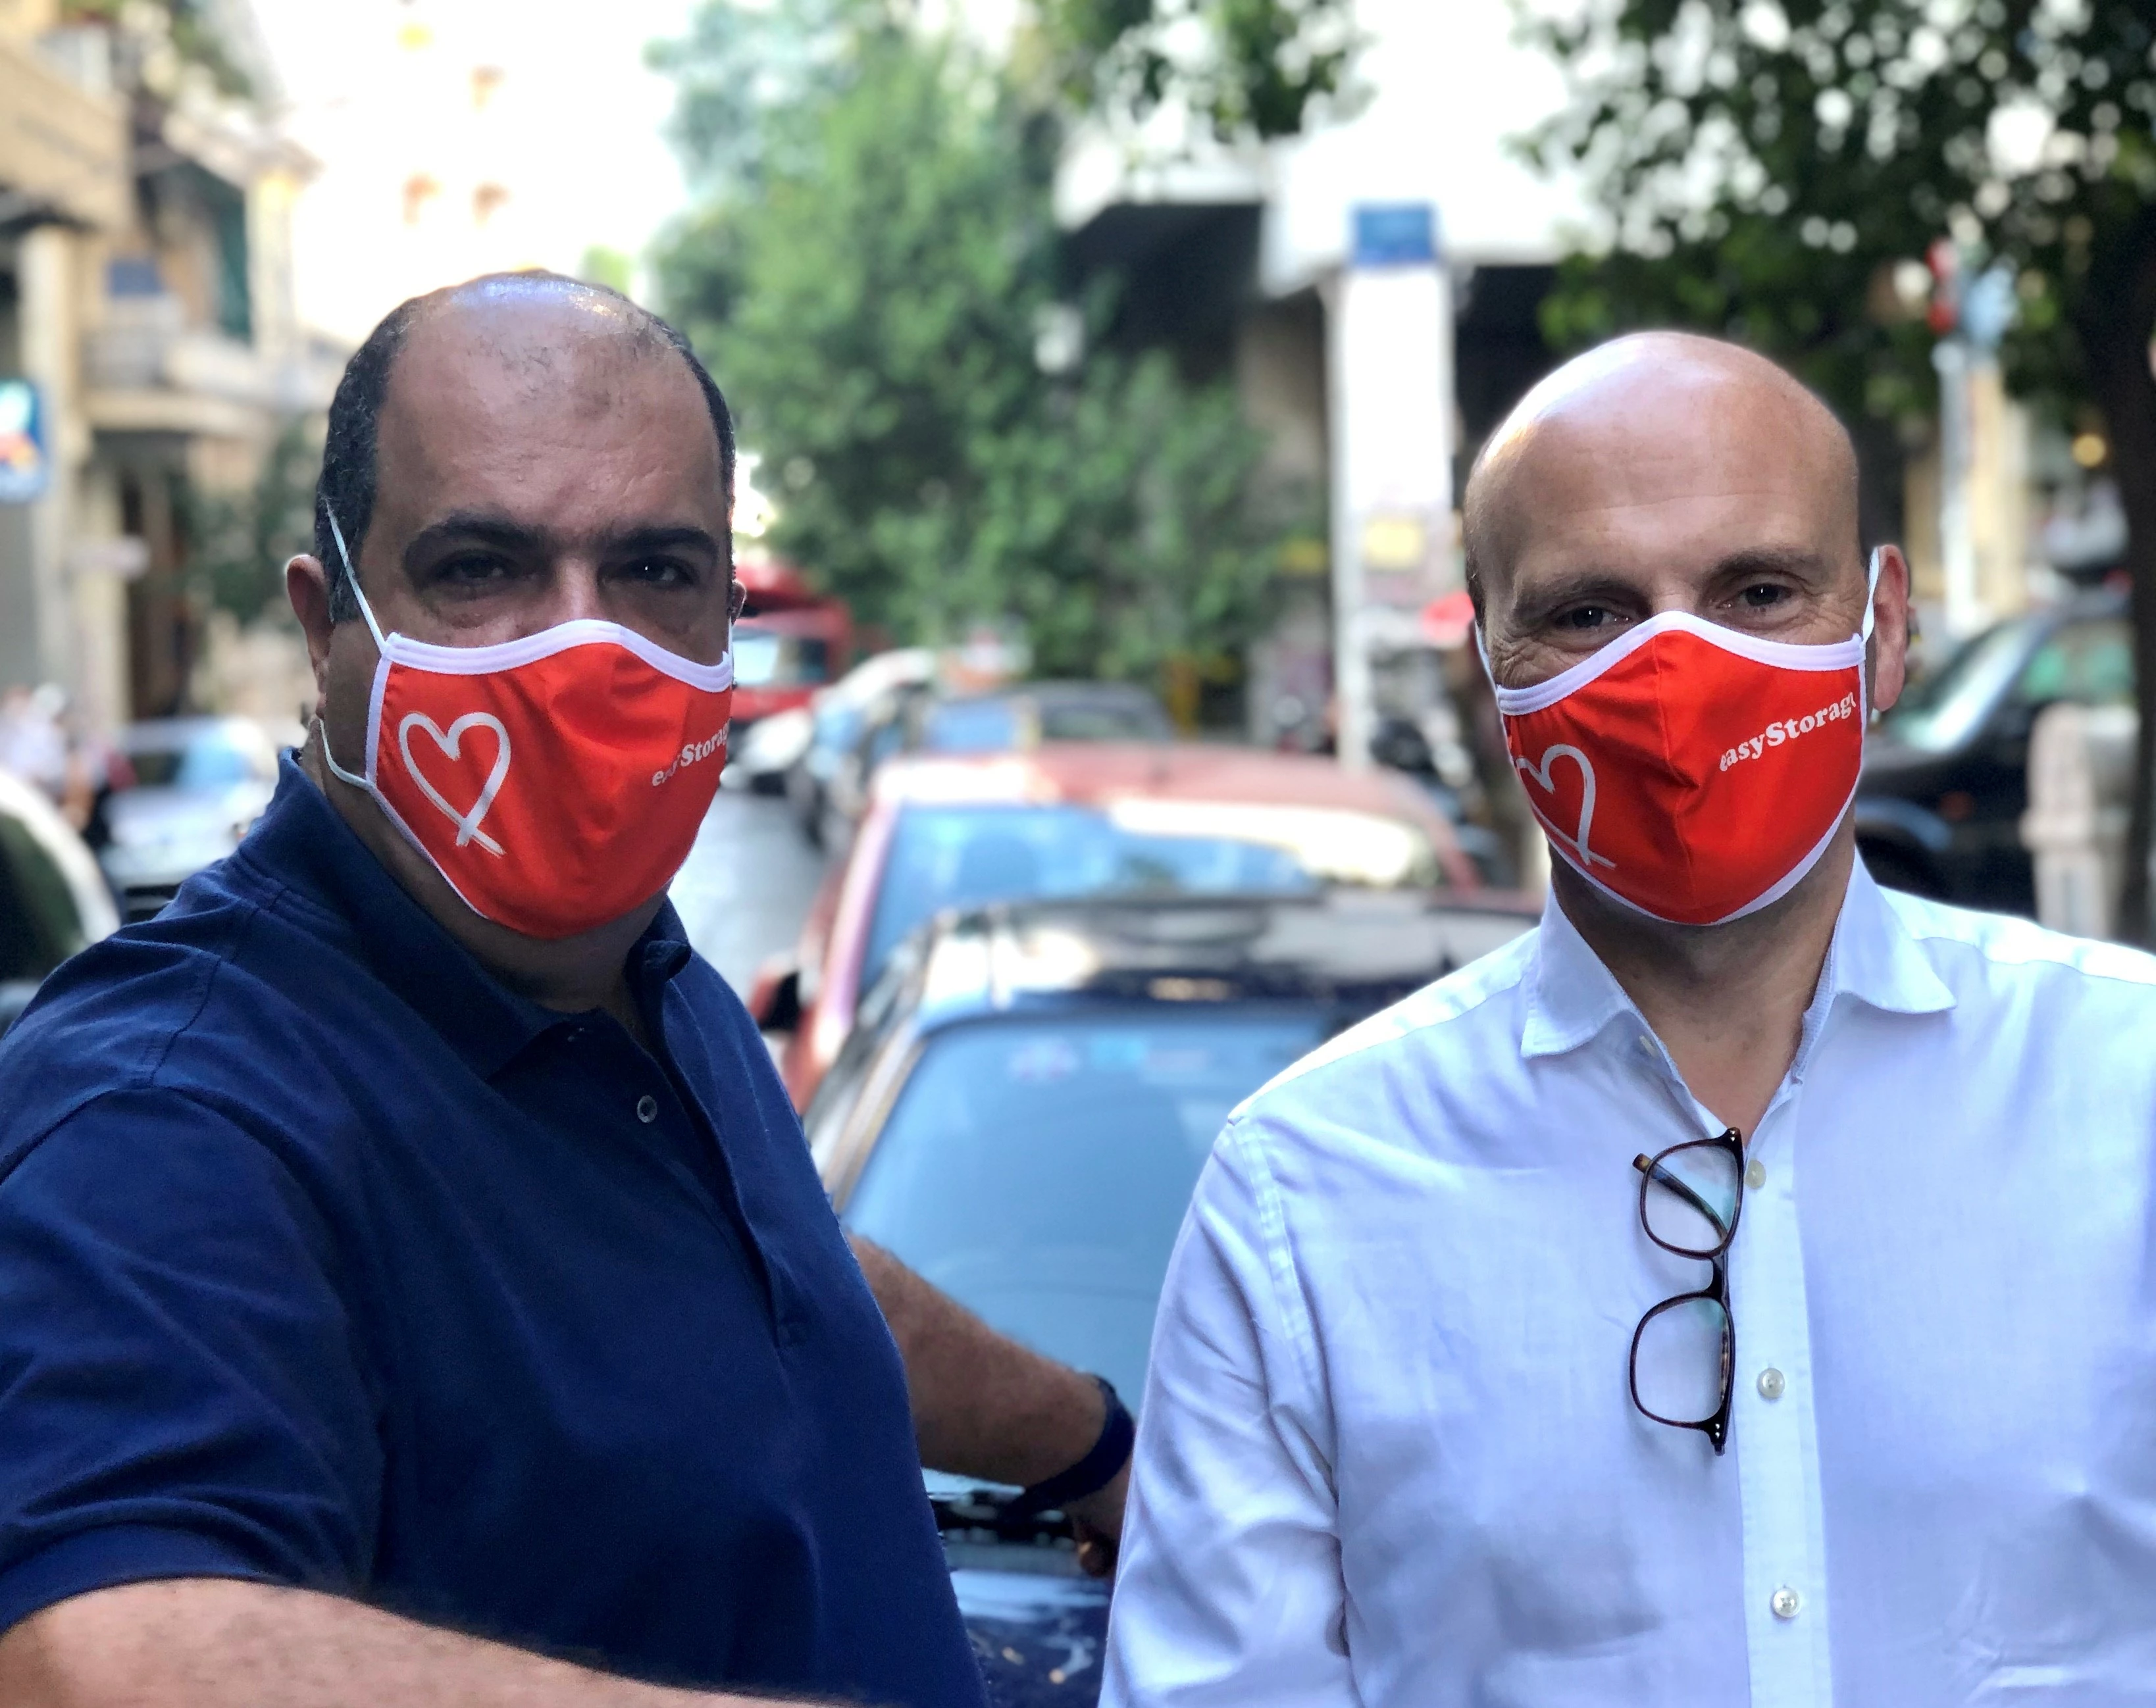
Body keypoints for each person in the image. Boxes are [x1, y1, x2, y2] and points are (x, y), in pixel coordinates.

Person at [0, 272, 1127, 1708]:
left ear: (731, 611)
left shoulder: (637, 967)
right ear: (325, 622)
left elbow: (785, 1302)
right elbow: (97, 1653)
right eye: (481, 568)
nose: (582, 651)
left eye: (655, 571)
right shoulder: (179, 1099)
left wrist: (1096, 1446)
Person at [1103, 332, 2156, 1705]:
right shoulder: (1301, 1196)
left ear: (1884, 629)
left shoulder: (2126, 1093)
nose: (1679, 677)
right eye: (1593, 610)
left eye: (1760, 590)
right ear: (1492, 662)